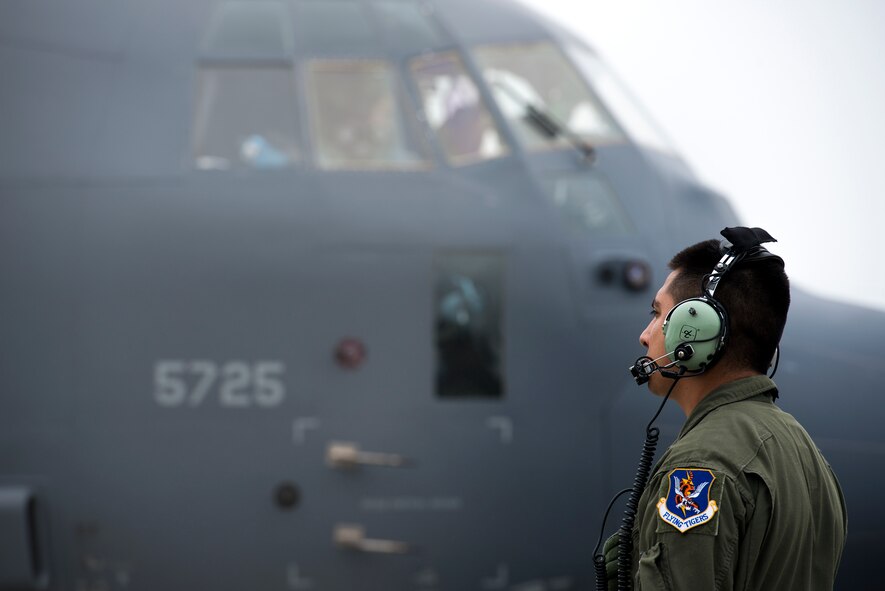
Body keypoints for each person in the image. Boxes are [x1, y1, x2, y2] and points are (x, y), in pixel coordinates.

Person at [602, 227, 847, 590]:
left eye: (657, 314)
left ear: (694, 330)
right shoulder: (806, 453)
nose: (645, 334)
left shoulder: (700, 464)